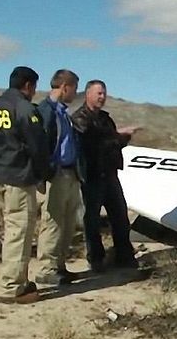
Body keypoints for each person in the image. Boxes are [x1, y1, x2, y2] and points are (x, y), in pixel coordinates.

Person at [0, 66, 51, 303]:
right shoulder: (24, 109)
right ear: (29, 86)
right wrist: (43, 174)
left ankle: (19, 280)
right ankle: (12, 287)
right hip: (18, 175)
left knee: (12, 227)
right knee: (19, 231)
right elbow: (37, 145)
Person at [71, 79, 139, 273]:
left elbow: (111, 143)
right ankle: (96, 259)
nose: (102, 97)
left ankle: (124, 255)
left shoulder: (106, 119)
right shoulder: (80, 119)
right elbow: (93, 143)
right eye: (98, 93)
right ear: (88, 94)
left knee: (120, 215)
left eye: (104, 93)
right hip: (92, 175)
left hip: (110, 173)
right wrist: (118, 136)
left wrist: (122, 139)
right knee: (91, 219)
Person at [35, 69, 82, 285]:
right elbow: (40, 143)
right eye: (74, 88)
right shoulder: (46, 111)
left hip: (70, 173)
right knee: (52, 221)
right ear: (65, 87)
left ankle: (59, 265)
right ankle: (46, 268)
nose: (75, 93)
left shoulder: (64, 113)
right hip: (55, 173)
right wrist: (45, 172)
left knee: (67, 222)